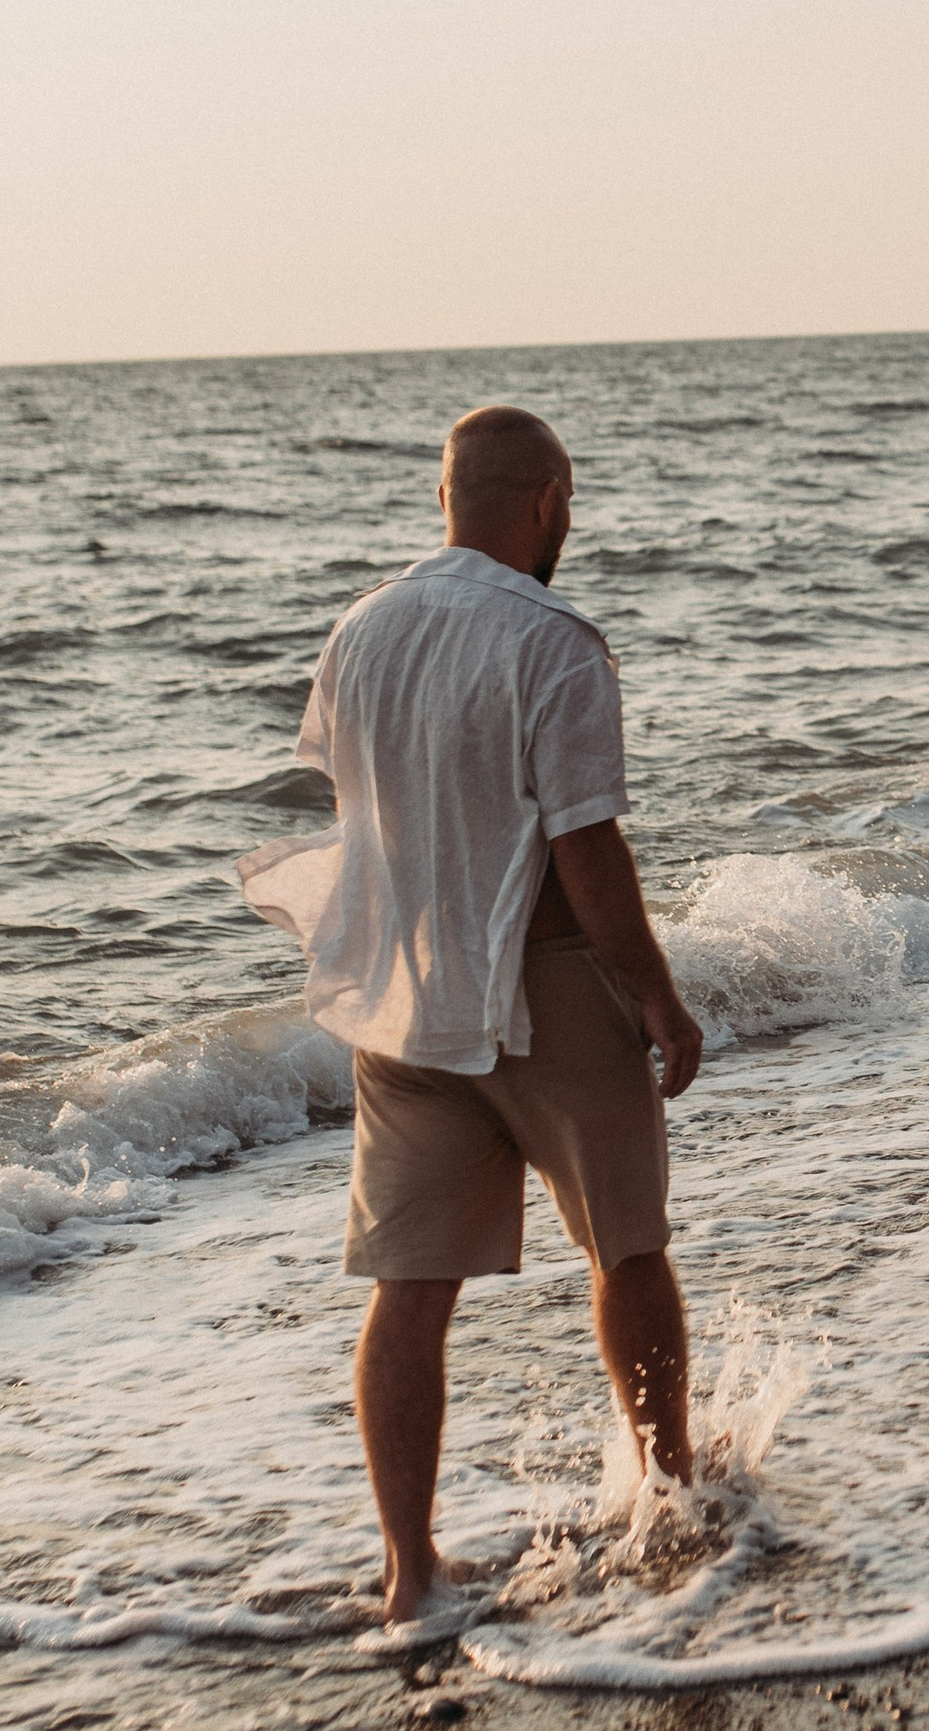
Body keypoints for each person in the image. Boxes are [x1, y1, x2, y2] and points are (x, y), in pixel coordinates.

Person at [239, 405, 704, 1625]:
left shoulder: (361, 630)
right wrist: (654, 991)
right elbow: (584, 841)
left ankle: (410, 1569)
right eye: (571, 505)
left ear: (448, 492)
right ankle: (671, 1494)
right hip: (544, 982)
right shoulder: (554, 638)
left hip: (403, 992)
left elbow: (370, 806)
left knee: (411, 1286)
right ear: (547, 500)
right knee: (628, 1246)